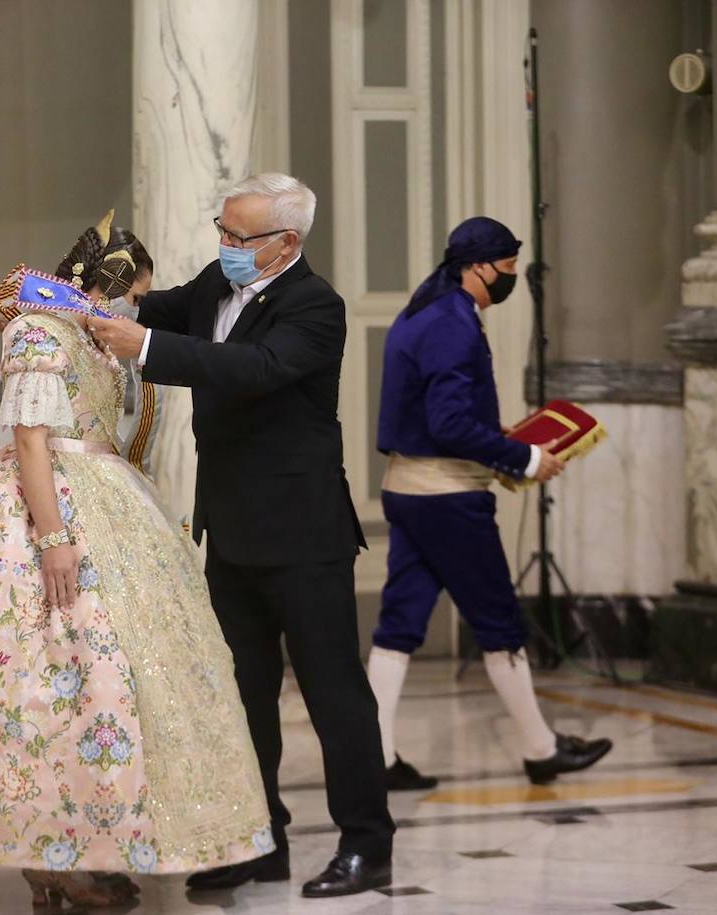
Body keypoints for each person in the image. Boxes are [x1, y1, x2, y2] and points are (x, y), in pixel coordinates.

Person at [0, 214, 272, 908]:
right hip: (44, 513)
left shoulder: (97, 339)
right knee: (41, 686)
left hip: (108, 504)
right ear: (114, 282)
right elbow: (32, 440)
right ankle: (48, 852)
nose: (135, 309)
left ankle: (90, 843)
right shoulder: (39, 329)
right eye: (135, 295)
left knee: (109, 688)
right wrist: (52, 537)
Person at [90, 173, 396, 899]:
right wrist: (85, 302)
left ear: (285, 243)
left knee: (334, 694)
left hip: (302, 533)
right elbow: (155, 308)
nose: (223, 246)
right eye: (221, 231)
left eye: (238, 237)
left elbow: (253, 368)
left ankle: (367, 844)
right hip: (230, 529)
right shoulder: (217, 283)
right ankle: (263, 840)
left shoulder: (316, 307)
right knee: (243, 694)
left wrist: (145, 347)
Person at [369, 216, 613, 791]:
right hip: (449, 499)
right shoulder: (454, 322)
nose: (508, 280)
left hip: (408, 489)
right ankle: (541, 749)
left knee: (398, 625)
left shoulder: (422, 311)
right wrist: (525, 459)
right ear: (476, 267)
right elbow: (449, 423)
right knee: (499, 621)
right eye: (505, 270)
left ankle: (373, 761)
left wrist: (494, 433)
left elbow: (437, 415)